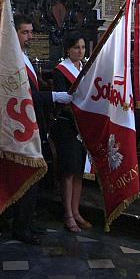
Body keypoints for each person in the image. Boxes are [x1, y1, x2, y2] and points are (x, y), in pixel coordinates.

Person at [13, 13, 72, 244]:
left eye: (30, 32)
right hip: (23, 122)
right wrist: (55, 96)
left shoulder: (25, 56)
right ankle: (20, 225)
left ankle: (29, 221)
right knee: (26, 174)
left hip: (35, 121)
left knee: (35, 174)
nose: (29, 37)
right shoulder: (12, 59)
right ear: (14, 33)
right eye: (24, 32)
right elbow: (24, 95)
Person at [51, 31, 90, 233]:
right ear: (68, 49)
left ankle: (76, 210)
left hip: (83, 126)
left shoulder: (86, 68)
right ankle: (67, 213)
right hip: (67, 126)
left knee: (79, 171)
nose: (80, 51)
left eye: (83, 47)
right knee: (68, 171)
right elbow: (61, 99)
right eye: (76, 47)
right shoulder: (60, 71)